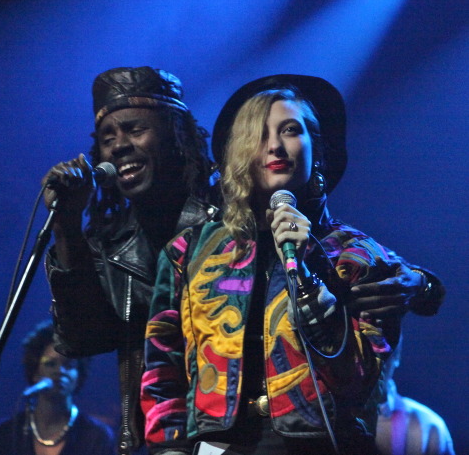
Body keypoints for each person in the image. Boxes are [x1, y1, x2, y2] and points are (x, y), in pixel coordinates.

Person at [140, 74, 445, 455]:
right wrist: (169, 448)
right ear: (238, 152)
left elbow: (361, 377)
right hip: (217, 445)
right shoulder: (190, 251)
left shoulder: (358, 255)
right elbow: (161, 363)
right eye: (258, 134)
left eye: (290, 131)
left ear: (316, 150)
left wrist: (310, 273)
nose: (274, 146)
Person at [42, 67, 219, 454]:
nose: (119, 146)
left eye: (135, 130)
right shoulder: (108, 242)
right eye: (108, 138)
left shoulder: (227, 217)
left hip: (237, 433)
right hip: (164, 439)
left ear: (175, 134)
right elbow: (83, 337)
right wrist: (68, 225)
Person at [0, 320, 116, 455]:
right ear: (35, 371)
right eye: (50, 364)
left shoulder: (96, 437)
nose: (59, 371)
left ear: (79, 374)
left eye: (69, 365)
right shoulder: (5, 434)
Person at [376, 337, 456, 455]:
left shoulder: (429, 427)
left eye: (380, 349)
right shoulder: (338, 417)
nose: (370, 364)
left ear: (397, 353)